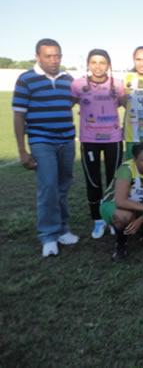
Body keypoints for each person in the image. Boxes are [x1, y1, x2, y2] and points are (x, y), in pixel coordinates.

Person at [12, 38, 79, 257]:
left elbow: (70, 104)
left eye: (57, 55)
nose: (53, 60)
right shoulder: (26, 80)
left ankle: (62, 229)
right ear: (37, 57)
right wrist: (22, 151)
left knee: (63, 185)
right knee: (48, 186)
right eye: (48, 56)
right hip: (41, 140)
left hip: (67, 139)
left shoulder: (67, 80)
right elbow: (19, 115)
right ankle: (48, 235)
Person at [71, 49, 125, 239]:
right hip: (89, 140)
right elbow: (69, 104)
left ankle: (111, 218)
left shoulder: (117, 85)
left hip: (113, 139)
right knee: (93, 181)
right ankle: (97, 220)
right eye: (93, 62)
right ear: (88, 64)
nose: (98, 66)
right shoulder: (77, 85)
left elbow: (123, 104)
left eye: (102, 62)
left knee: (113, 181)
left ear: (108, 65)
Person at [100, 143, 143, 261]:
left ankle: (141, 230)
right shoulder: (126, 169)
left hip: (141, 207)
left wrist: (140, 220)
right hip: (114, 205)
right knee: (124, 216)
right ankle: (120, 245)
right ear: (135, 159)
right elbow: (120, 201)